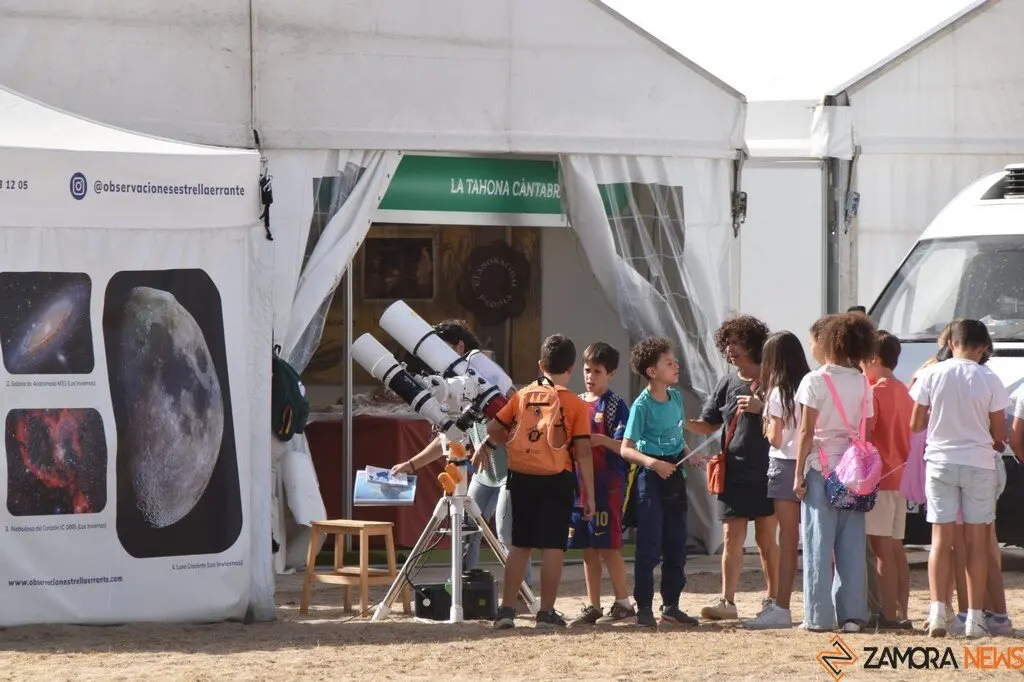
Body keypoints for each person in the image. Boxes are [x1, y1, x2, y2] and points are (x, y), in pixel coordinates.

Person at [389, 322, 532, 588]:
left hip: (512, 470)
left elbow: (515, 415)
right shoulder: (456, 387)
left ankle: (523, 592)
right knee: (465, 528)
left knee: (506, 532)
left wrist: (488, 442)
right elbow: (449, 435)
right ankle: (462, 588)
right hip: (485, 474)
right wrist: (411, 464)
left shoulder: (482, 372)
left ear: (460, 348)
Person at [479, 334, 595, 629]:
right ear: (570, 369)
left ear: (541, 365)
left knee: (520, 544)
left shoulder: (522, 395)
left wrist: (504, 446)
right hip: (558, 477)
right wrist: (589, 495)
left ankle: (506, 611)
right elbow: (582, 452)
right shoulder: (575, 405)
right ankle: (546, 612)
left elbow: (494, 428)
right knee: (553, 546)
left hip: (522, 475)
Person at [910, 319, 1008, 639]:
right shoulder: (990, 378)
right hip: (978, 464)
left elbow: (915, 424)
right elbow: (999, 433)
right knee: (977, 542)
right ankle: (975, 618)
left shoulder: (930, 374)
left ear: (951, 344)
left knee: (941, 540)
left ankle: (938, 611)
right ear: (983, 348)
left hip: (939, 461)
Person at [686, 316, 778, 622]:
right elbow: (709, 423)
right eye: (726, 344)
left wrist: (761, 408)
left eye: (736, 343)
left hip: (768, 469)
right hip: (733, 471)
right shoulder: (725, 382)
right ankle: (727, 600)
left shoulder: (774, 379)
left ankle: (773, 600)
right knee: (731, 536)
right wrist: (675, 419)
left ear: (752, 344)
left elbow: (793, 419)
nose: (730, 350)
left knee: (767, 539)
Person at [794, 312, 876, 633]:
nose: (811, 346)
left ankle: (818, 617)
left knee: (818, 543)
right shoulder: (862, 381)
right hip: (854, 471)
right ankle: (853, 615)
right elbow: (866, 425)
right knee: (852, 545)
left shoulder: (814, 380)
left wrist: (797, 473)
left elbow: (805, 431)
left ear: (826, 343)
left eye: (814, 341)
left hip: (820, 467)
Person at [620, 337, 699, 629]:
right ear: (652, 372)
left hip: (674, 477)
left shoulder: (676, 397)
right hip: (650, 478)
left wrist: (689, 455)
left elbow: (678, 438)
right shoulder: (642, 405)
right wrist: (653, 464)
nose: (676, 366)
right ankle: (644, 607)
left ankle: (672, 605)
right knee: (649, 547)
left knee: (677, 544)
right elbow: (625, 448)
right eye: (668, 363)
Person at [566, 342, 635, 627]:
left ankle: (623, 603)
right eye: (587, 370)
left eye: (597, 371)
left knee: (607, 547)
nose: (591, 376)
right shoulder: (575, 402)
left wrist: (601, 440)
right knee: (587, 547)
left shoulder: (616, 406)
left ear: (612, 374)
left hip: (607, 484)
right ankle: (593, 605)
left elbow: (627, 446)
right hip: (579, 486)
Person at [744, 330, 809, 629]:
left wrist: (768, 423)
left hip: (784, 466)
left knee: (788, 538)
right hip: (812, 464)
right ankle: (818, 604)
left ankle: (781, 605)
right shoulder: (810, 384)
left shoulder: (776, 392)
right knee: (816, 538)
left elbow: (775, 439)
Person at [862, 330, 914, 630]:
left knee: (880, 551)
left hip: (879, 479)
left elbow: (867, 434)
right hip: (900, 477)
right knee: (895, 550)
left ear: (874, 358)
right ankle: (901, 610)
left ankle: (888, 615)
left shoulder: (875, 392)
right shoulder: (903, 391)